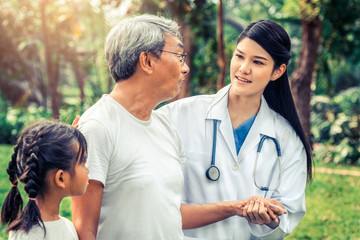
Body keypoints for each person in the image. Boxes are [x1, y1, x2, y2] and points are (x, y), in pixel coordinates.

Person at [71, 14, 286, 240]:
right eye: (179, 56)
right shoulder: (98, 127)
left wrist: (236, 208)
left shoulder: (165, 127)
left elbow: (170, 213)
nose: (186, 68)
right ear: (147, 61)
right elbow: (84, 229)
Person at [158, 19, 313, 239]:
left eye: (258, 62)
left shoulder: (287, 139)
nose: (243, 68)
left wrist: (268, 217)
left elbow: (289, 213)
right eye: (239, 56)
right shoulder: (177, 115)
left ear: (277, 72)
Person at [0, 120, 88, 240]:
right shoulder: (29, 236)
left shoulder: (67, 227)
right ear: (61, 178)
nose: (87, 170)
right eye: (82, 162)